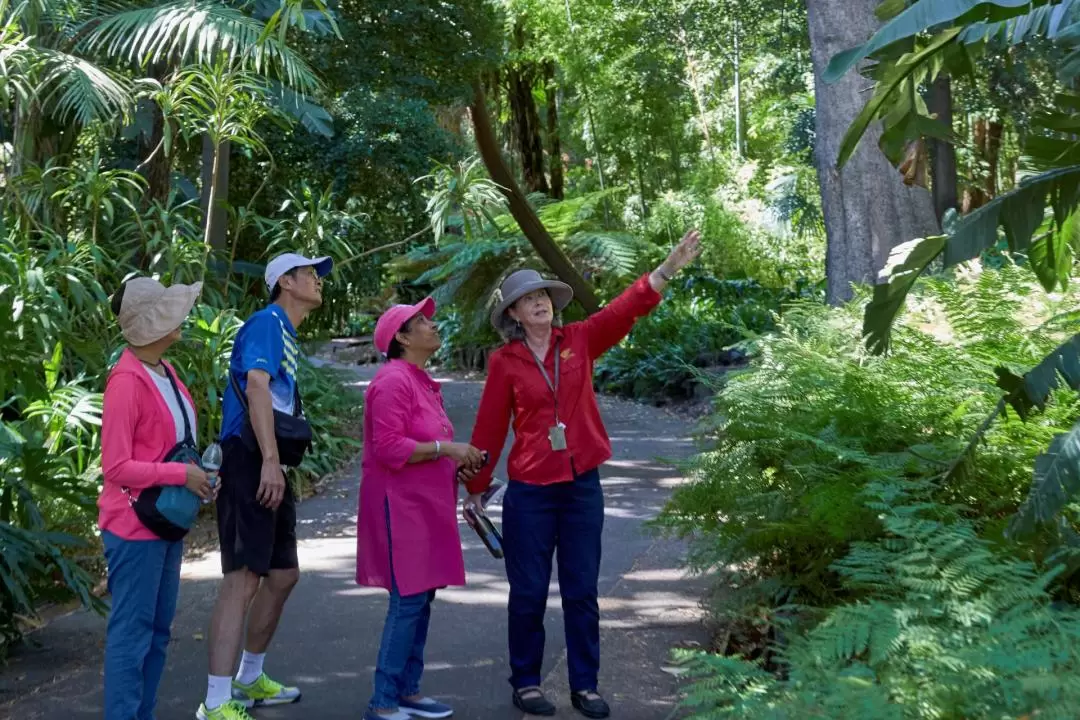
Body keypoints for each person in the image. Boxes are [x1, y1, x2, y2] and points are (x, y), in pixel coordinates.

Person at [463, 230, 702, 718]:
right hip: (530, 491)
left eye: (543, 297)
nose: (539, 304)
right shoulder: (504, 361)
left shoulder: (579, 340)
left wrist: (668, 268)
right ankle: (527, 681)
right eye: (527, 300)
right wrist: (475, 487)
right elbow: (488, 427)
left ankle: (585, 685)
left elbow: (623, 311)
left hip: (581, 488)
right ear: (512, 313)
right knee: (528, 591)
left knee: (581, 589)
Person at [197, 253, 333, 720]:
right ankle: (215, 702)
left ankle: (250, 677)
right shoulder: (267, 323)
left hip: (268, 459)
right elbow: (256, 386)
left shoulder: (285, 332)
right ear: (286, 283)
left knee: (282, 574)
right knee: (243, 579)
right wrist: (271, 462)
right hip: (249, 458)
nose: (318, 280)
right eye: (310, 273)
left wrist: (276, 462)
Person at [356, 296, 485, 720]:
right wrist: (448, 448)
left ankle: (407, 691)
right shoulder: (393, 381)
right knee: (408, 600)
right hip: (401, 505)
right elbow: (389, 447)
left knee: (421, 598)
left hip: (426, 504)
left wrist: (456, 464)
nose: (433, 326)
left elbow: (424, 446)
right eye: (423, 322)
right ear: (402, 337)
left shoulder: (419, 380)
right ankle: (384, 699)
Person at [100, 276, 214, 720]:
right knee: (133, 634)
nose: (180, 317)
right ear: (155, 324)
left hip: (164, 522)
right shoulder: (126, 381)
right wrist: (180, 474)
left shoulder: (165, 370)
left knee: (158, 633)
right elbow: (115, 466)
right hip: (133, 527)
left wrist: (199, 476)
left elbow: (171, 444)